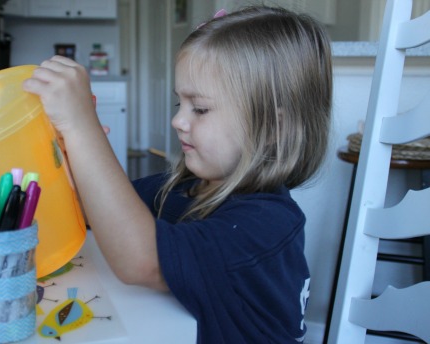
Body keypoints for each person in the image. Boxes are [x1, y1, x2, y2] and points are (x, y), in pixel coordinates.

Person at [23, 5, 332, 343]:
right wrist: (74, 158)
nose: (178, 121)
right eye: (179, 105)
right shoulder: (182, 188)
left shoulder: (266, 225)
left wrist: (84, 128)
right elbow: (96, 213)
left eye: (199, 109)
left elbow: (140, 260)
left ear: (273, 126)